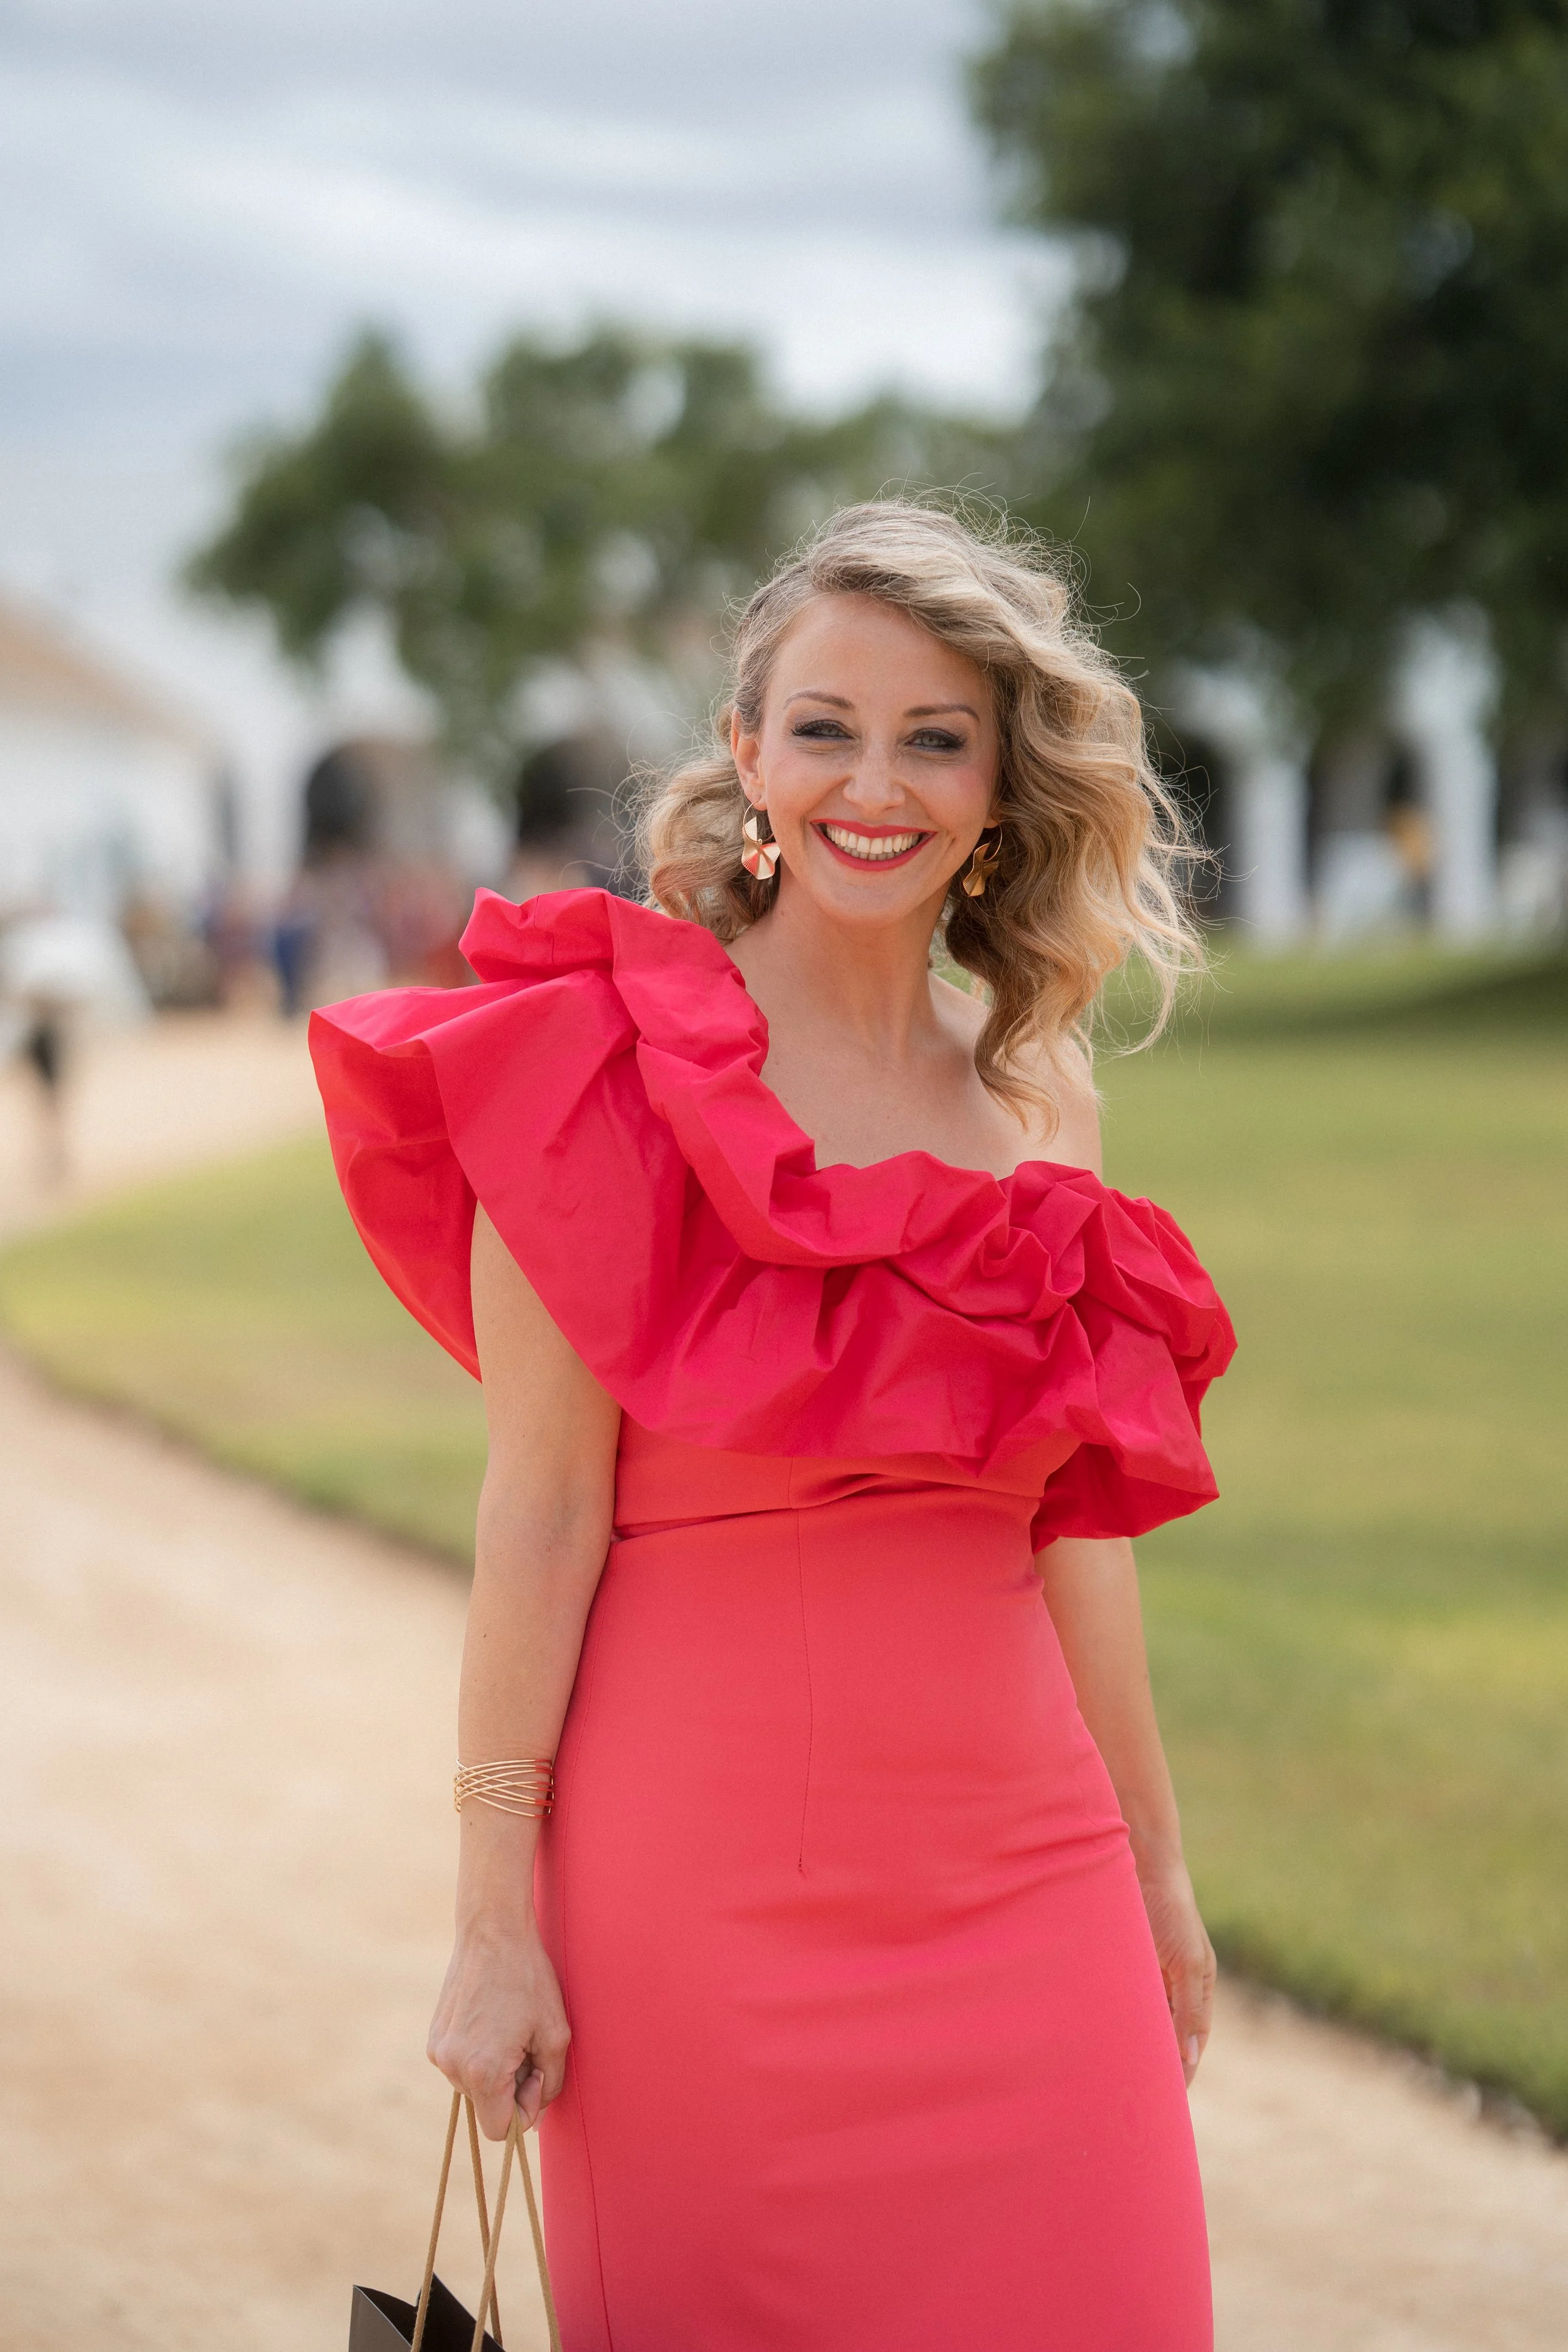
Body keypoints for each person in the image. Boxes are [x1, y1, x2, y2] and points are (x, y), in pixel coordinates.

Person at [310, 502, 1236, 2350]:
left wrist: (1156, 1866)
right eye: (824, 728)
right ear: (747, 754)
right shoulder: (590, 1061)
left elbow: (1074, 1536)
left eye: (932, 737)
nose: (871, 786)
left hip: (1025, 1878)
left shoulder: (1041, 1101)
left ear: (998, 782)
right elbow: (540, 1514)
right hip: (698, 1915)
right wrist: (492, 1919)